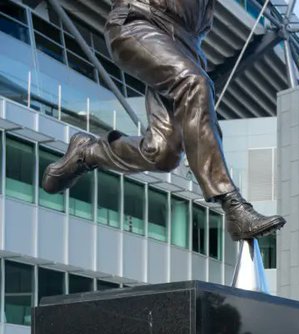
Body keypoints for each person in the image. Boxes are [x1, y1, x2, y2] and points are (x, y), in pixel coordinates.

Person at [41, 0, 283, 240]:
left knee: (161, 153)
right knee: (194, 83)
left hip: (185, 45)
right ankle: (232, 205)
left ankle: (88, 153)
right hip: (141, 22)